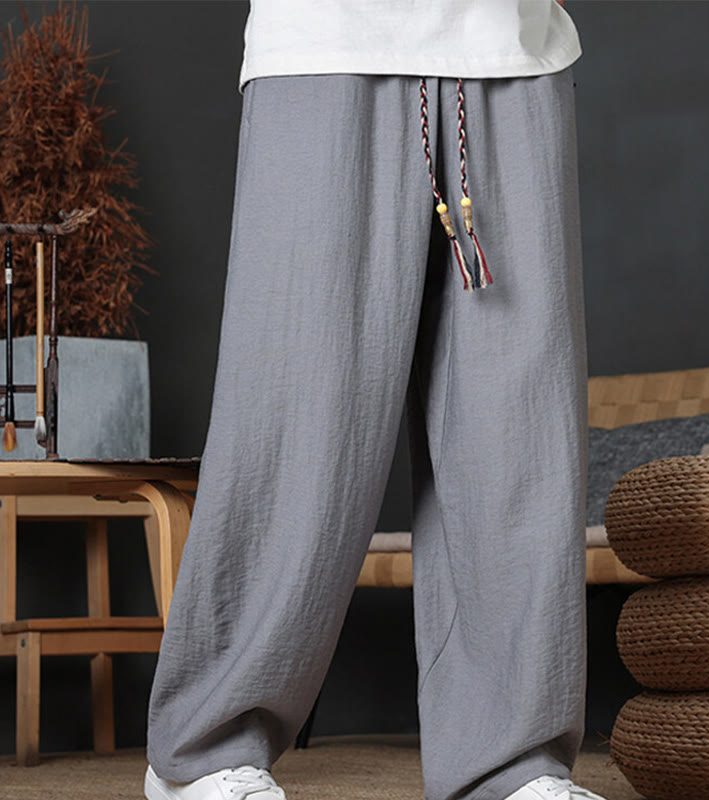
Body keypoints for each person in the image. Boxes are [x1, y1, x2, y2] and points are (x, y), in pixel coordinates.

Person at [144, 1, 607, 799]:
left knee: (517, 435)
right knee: (300, 420)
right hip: (328, 43)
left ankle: (512, 766)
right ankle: (205, 752)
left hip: (513, 48)